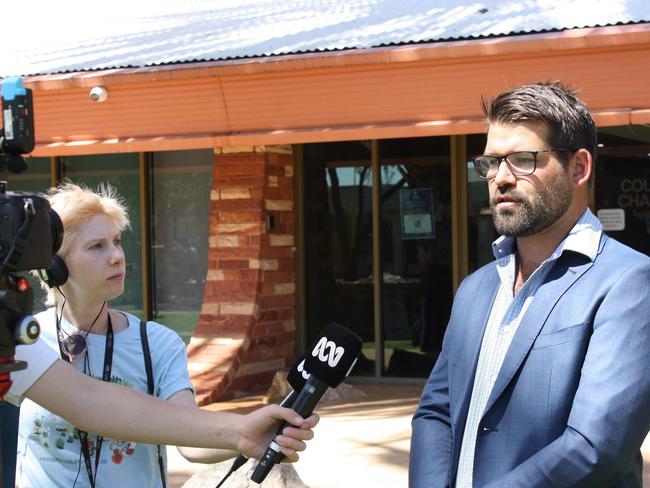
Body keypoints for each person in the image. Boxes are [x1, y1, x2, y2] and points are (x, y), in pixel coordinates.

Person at [409, 82, 650, 487]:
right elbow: (436, 412)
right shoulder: (474, 288)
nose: (500, 178)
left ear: (579, 168)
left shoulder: (628, 281)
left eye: (522, 159)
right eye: (491, 162)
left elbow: (595, 447)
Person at [7, 182, 316, 487]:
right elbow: (86, 401)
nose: (117, 256)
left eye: (116, 241)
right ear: (54, 266)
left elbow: (190, 439)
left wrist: (246, 431)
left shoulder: (156, 343)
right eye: (97, 246)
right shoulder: (17, 342)